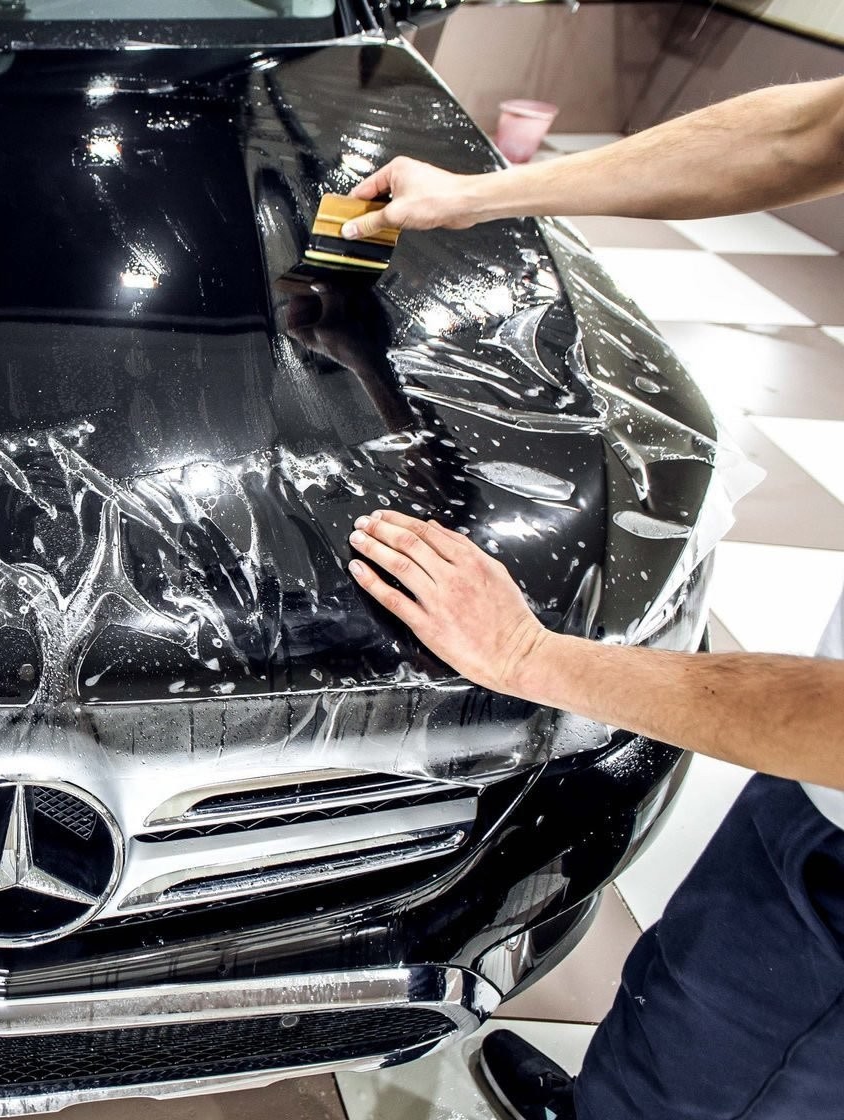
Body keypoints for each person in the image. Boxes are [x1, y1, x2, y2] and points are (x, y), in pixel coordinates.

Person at [339, 76, 844, 1120]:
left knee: (737, 1067)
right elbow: (817, 126)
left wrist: (531, 659)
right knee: (692, 991)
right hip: (817, 785)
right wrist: (478, 194)